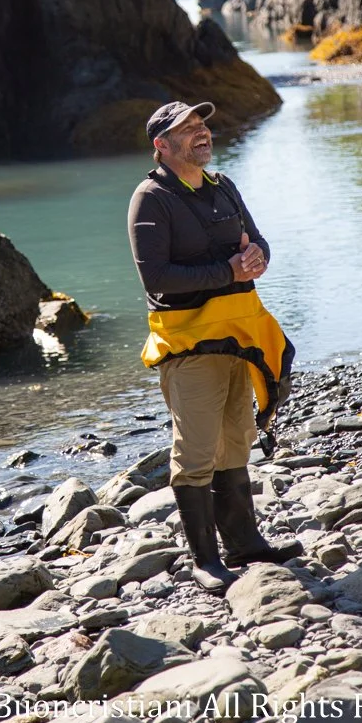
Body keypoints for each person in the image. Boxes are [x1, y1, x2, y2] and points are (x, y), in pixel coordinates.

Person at [127, 100, 299, 593]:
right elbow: (156, 277)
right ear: (162, 146)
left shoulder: (223, 186)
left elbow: (259, 243)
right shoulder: (150, 198)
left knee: (237, 437)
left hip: (239, 338)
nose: (201, 134)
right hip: (188, 346)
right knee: (198, 449)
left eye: (202, 125)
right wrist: (228, 269)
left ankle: (244, 543)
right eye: (188, 130)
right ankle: (205, 559)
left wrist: (256, 256)